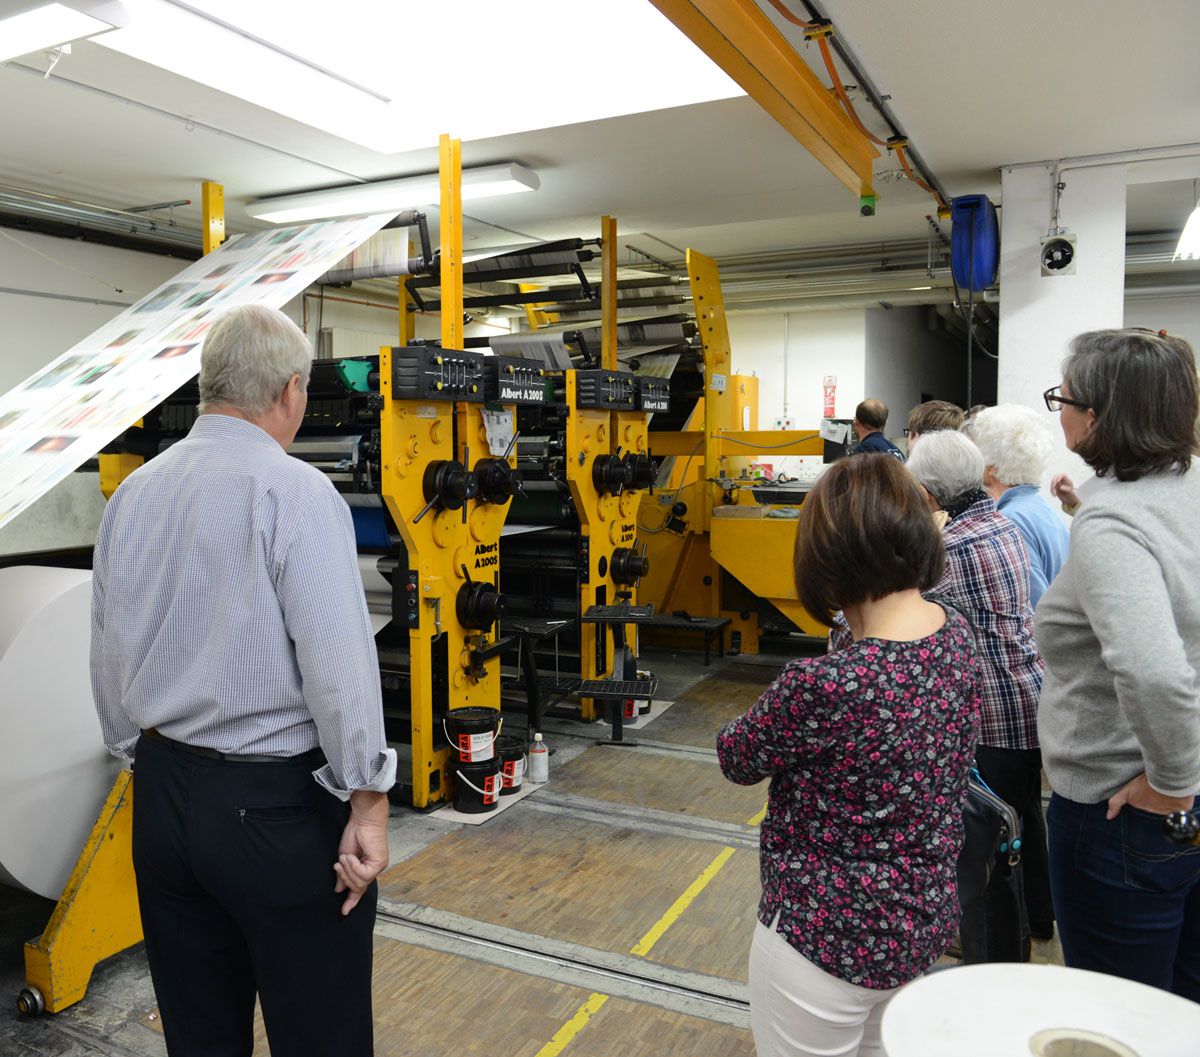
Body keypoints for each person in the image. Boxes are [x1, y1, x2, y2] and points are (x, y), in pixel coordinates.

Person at [91, 304, 396, 1057]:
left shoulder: (133, 494)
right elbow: (338, 669)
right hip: (275, 814)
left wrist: (146, 761)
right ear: (290, 391)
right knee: (320, 1035)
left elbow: (108, 648)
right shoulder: (298, 494)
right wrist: (368, 798)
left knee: (199, 1036)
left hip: (162, 800)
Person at [717, 454, 981, 1057]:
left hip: (821, 943)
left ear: (827, 558)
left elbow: (735, 755)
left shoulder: (823, 685)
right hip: (919, 926)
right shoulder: (957, 634)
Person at [1037, 328, 1200, 999]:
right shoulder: (1185, 486)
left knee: (1121, 1014)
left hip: (1125, 811)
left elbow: (1153, 669)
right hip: (1184, 793)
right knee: (1182, 1001)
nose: (1061, 412)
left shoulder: (1115, 525)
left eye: (1064, 399)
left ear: (1099, 416)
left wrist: (1172, 784)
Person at [906, 430, 1050, 951]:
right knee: (1023, 821)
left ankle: (996, 960)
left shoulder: (951, 548)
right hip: (1028, 694)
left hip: (993, 717)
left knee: (988, 852)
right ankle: (1038, 923)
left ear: (926, 493)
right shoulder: (1001, 523)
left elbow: (892, 608)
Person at [963, 404, 1070, 608]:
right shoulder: (1040, 507)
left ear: (992, 468)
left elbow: (1033, 604)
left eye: (976, 451)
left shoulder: (1010, 521)